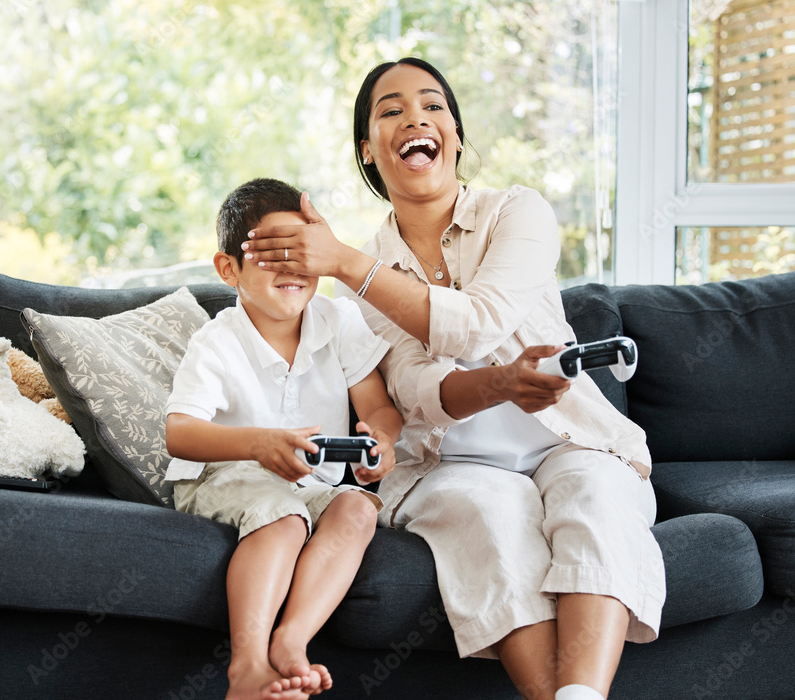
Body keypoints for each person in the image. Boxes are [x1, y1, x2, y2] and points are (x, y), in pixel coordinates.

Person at [241, 59, 665, 700]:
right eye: (390, 110)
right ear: (369, 149)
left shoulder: (518, 213)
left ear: (457, 136)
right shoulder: (365, 286)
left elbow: (481, 322)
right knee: (488, 513)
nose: (415, 117)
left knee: (597, 495)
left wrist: (348, 264)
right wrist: (497, 384)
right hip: (452, 464)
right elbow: (416, 392)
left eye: (433, 106)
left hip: (568, 441)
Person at [164, 178, 403, 700]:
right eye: (273, 254)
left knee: (359, 509)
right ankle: (247, 667)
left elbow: (380, 407)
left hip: (305, 484)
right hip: (222, 475)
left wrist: (381, 441)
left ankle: (291, 641)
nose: (294, 269)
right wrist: (255, 445)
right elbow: (178, 434)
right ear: (229, 268)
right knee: (284, 514)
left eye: (303, 253)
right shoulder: (218, 340)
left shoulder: (337, 320)